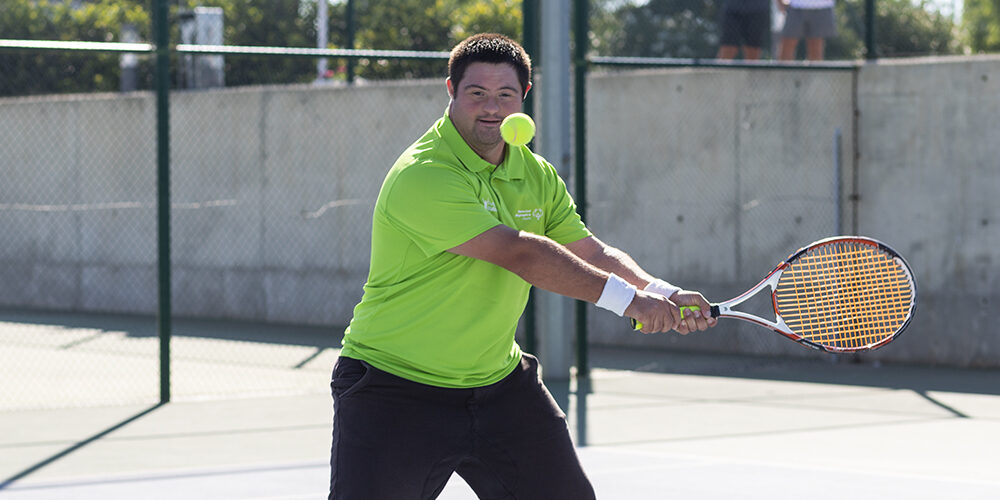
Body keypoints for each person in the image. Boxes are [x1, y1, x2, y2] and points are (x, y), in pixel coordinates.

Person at [328, 33, 717, 500]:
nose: (492, 108)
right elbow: (521, 253)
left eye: (505, 95)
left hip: (500, 387)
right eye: (477, 93)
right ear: (451, 90)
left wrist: (662, 291)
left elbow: (591, 252)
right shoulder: (423, 174)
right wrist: (631, 302)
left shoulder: (535, 174)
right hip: (394, 387)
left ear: (525, 96)